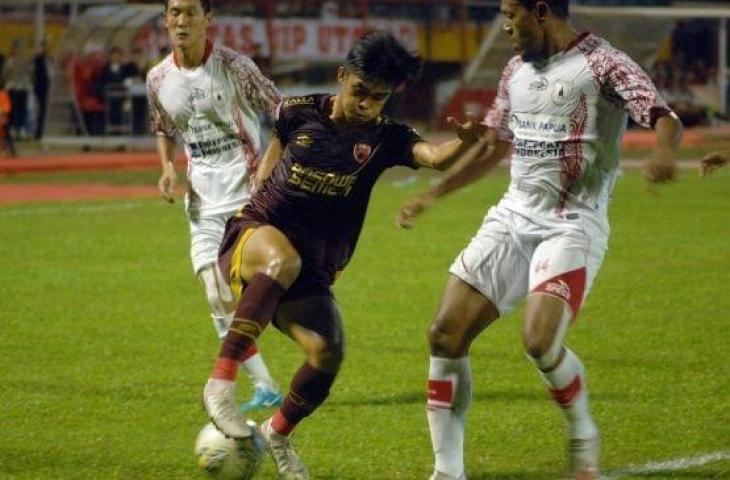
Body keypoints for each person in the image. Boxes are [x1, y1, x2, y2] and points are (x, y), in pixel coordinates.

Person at [396, 1, 683, 479]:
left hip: (573, 223)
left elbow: (662, 115)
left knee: (538, 340)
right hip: (512, 217)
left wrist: (665, 152)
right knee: (444, 335)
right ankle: (447, 472)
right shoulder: (515, 70)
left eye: (512, 14)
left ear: (541, 11)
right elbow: (494, 145)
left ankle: (582, 429)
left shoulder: (603, 63)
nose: (505, 27)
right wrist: (434, 194)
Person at [201, 31, 488, 480]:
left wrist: (466, 143)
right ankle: (220, 384)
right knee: (282, 260)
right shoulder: (298, 111)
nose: (366, 104)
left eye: (378, 97)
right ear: (342, 76)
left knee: (327, 354)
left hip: (311, 268)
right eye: (359, 91)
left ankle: (278, 436)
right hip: (255, 235)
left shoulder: (385, 138)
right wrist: (261, 183)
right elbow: (274, 146)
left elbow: (433, 156)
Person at [146, 0, 284, 412]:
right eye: (174, 12)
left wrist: (270, 166)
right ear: (166, 19)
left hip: (247, 197)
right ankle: (267, 387)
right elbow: (162, 126)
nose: (181, 20)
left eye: (190, 12)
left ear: (209, 18)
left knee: (266, 289)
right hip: (202, 202)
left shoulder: (236, 66)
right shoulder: (157, 78)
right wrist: (168, 167)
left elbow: (282, 112)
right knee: (214, 292)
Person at [32, 41, 51, 139]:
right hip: (41, 89)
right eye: (44, 47)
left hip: (48, 88)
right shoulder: (37, 59)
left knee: (45, 111)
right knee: (41, 111)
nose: (46, 49)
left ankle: (44, 131)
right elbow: (36, 75)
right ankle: (39, 133)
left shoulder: (50, 60)